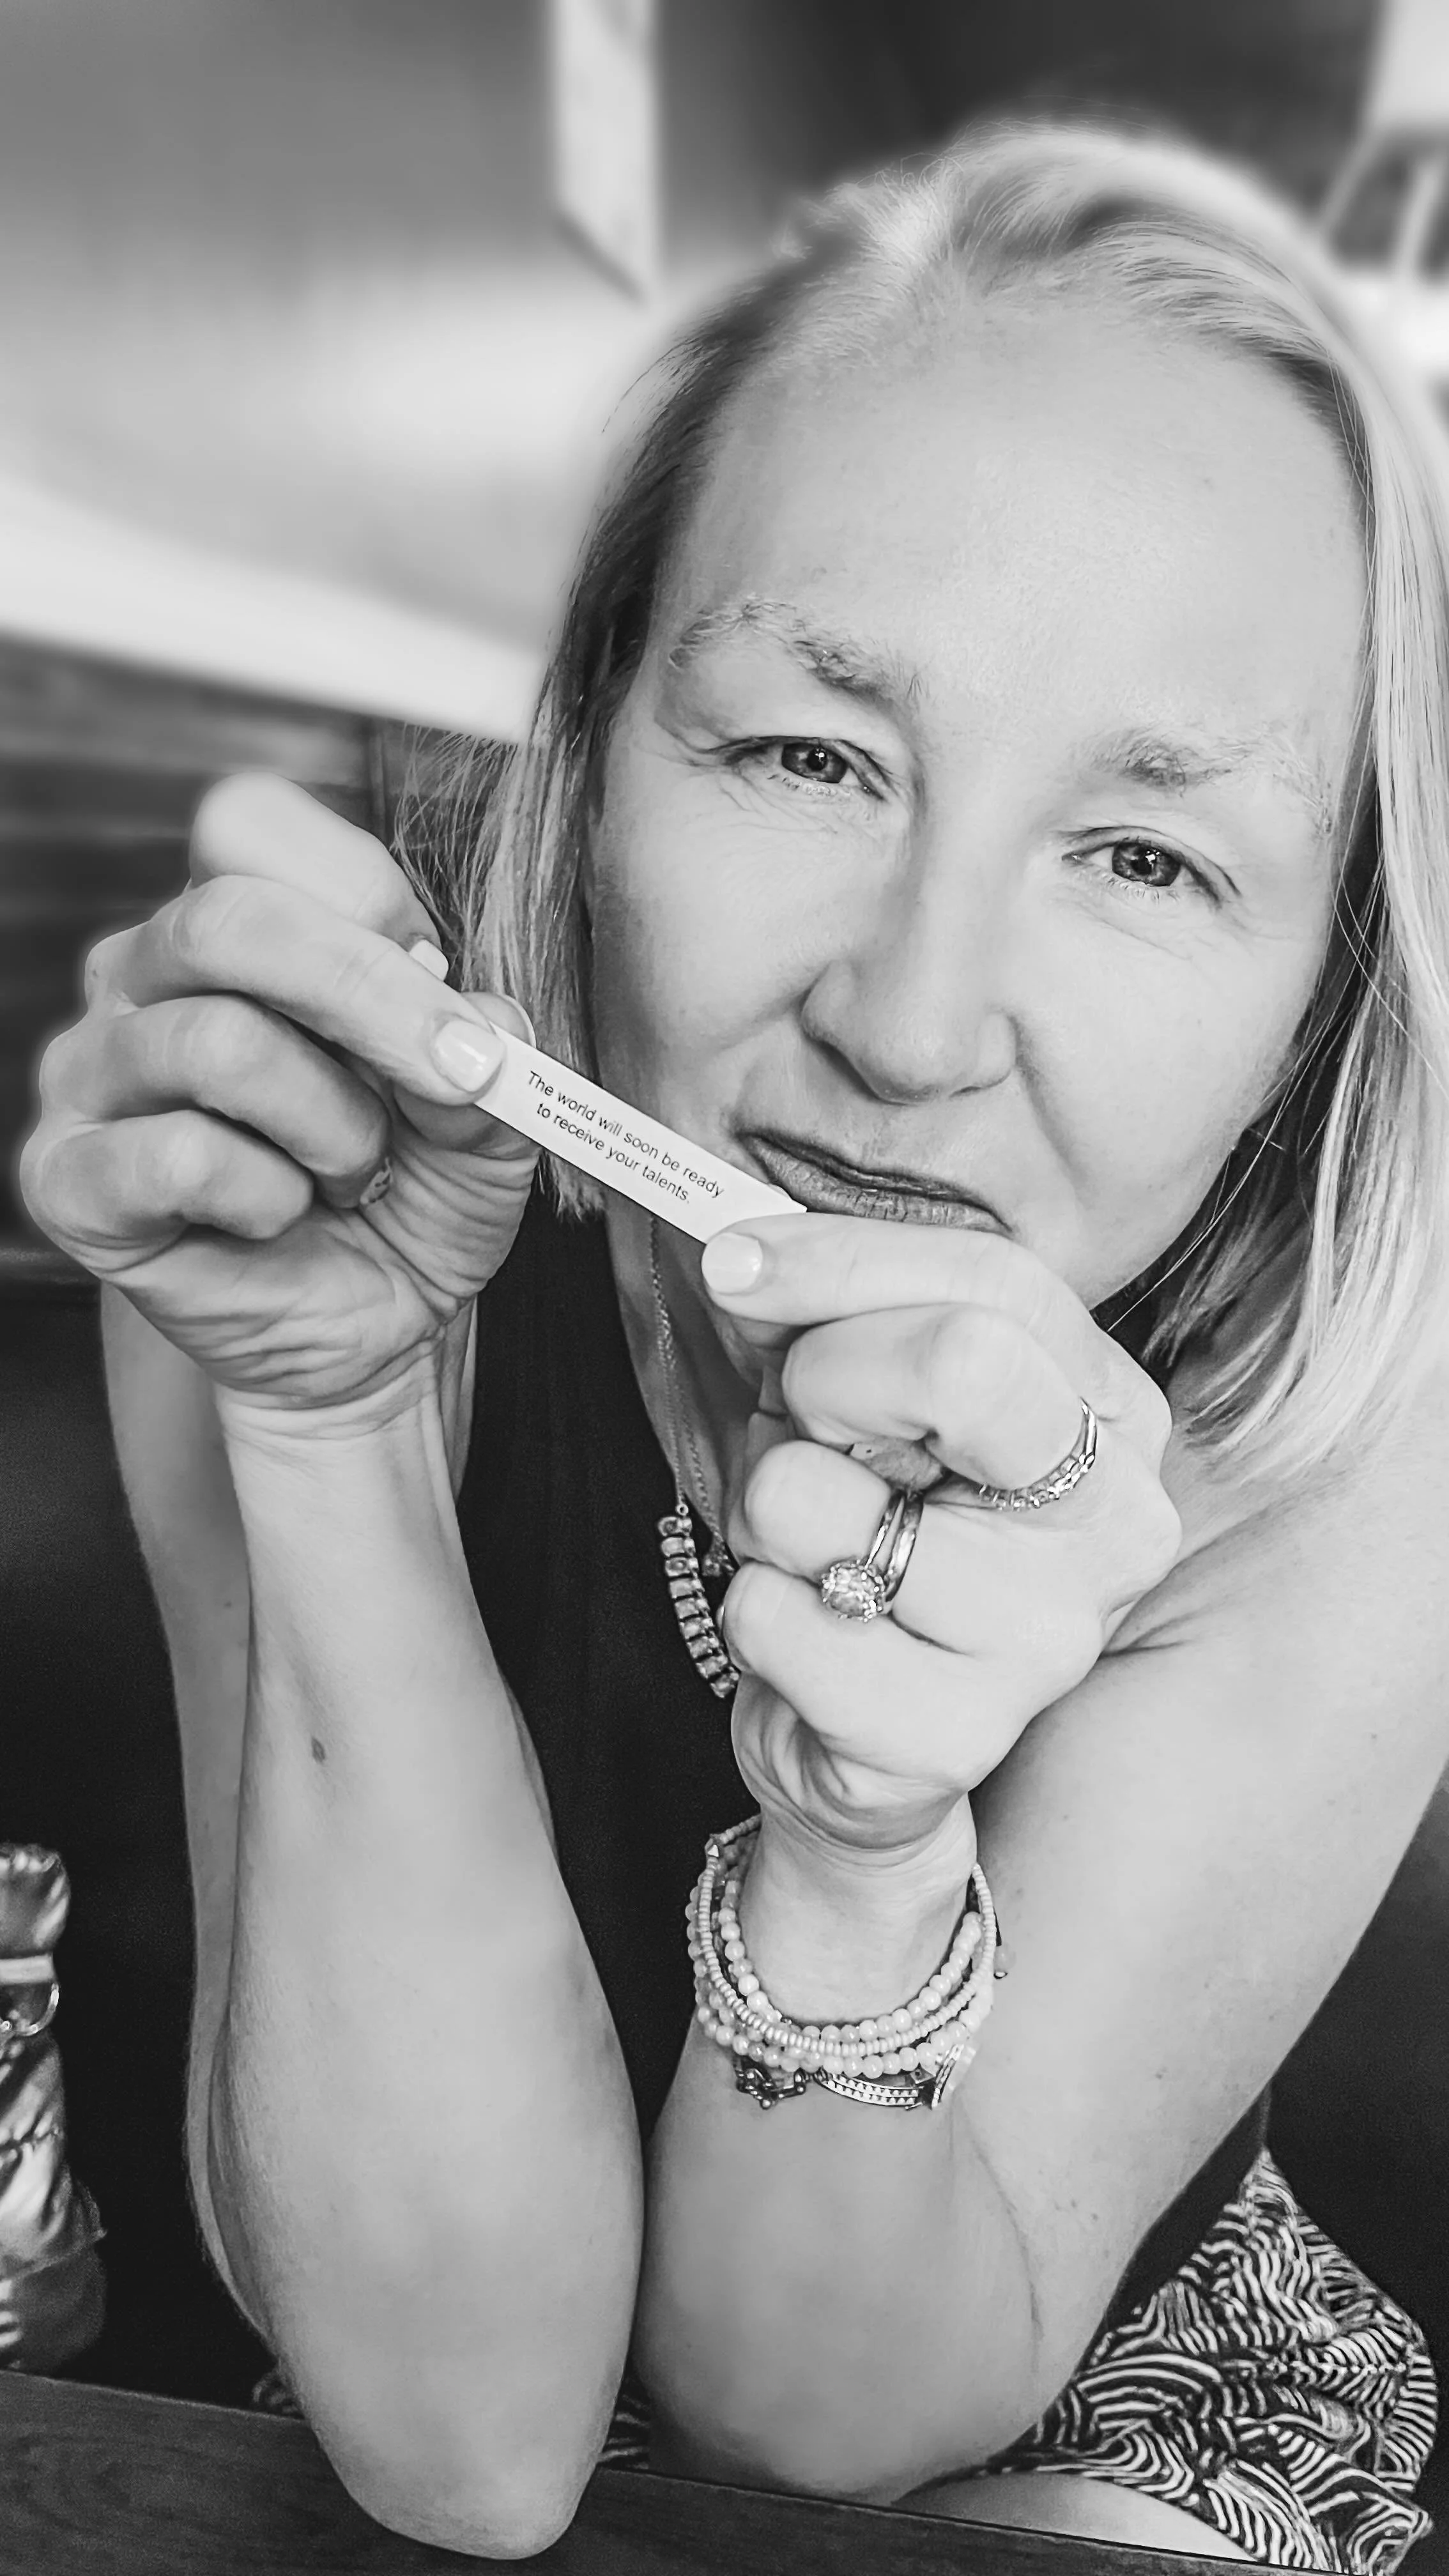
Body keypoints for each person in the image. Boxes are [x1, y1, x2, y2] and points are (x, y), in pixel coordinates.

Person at [20, 116, 1449, 2570]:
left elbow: (821, 2439)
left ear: (1318, 987)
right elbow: (468, 2440)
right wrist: (331, 1420)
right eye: (808, 754)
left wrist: (860, 1858)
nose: (911, 1028)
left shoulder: (1356, 1415)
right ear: (584, 770)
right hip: (427, 2305)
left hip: (1087, 2377)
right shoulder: (313, 1200)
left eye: (1144, 854)